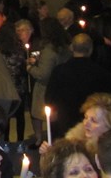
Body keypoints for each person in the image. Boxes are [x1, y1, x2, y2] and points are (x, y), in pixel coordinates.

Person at [45, 33, 111, 139]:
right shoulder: (102, 73)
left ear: (71, 48)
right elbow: (110, 100)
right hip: (93, 125)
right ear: (91, 50)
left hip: (64, 123)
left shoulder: (59, 71)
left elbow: (50, 97)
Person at [40, 93, 111, 156]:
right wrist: (50, 157)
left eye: (94, 121)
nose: (86, 123)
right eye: (85, 117)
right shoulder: (73, 145)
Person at [28, 17, 71, 147]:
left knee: (42, 115)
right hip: (62, 85)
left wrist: (30, 68)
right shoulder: (64, 47)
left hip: (46, 88)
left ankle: (41, 139)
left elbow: (43, 74)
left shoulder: (49, 50)